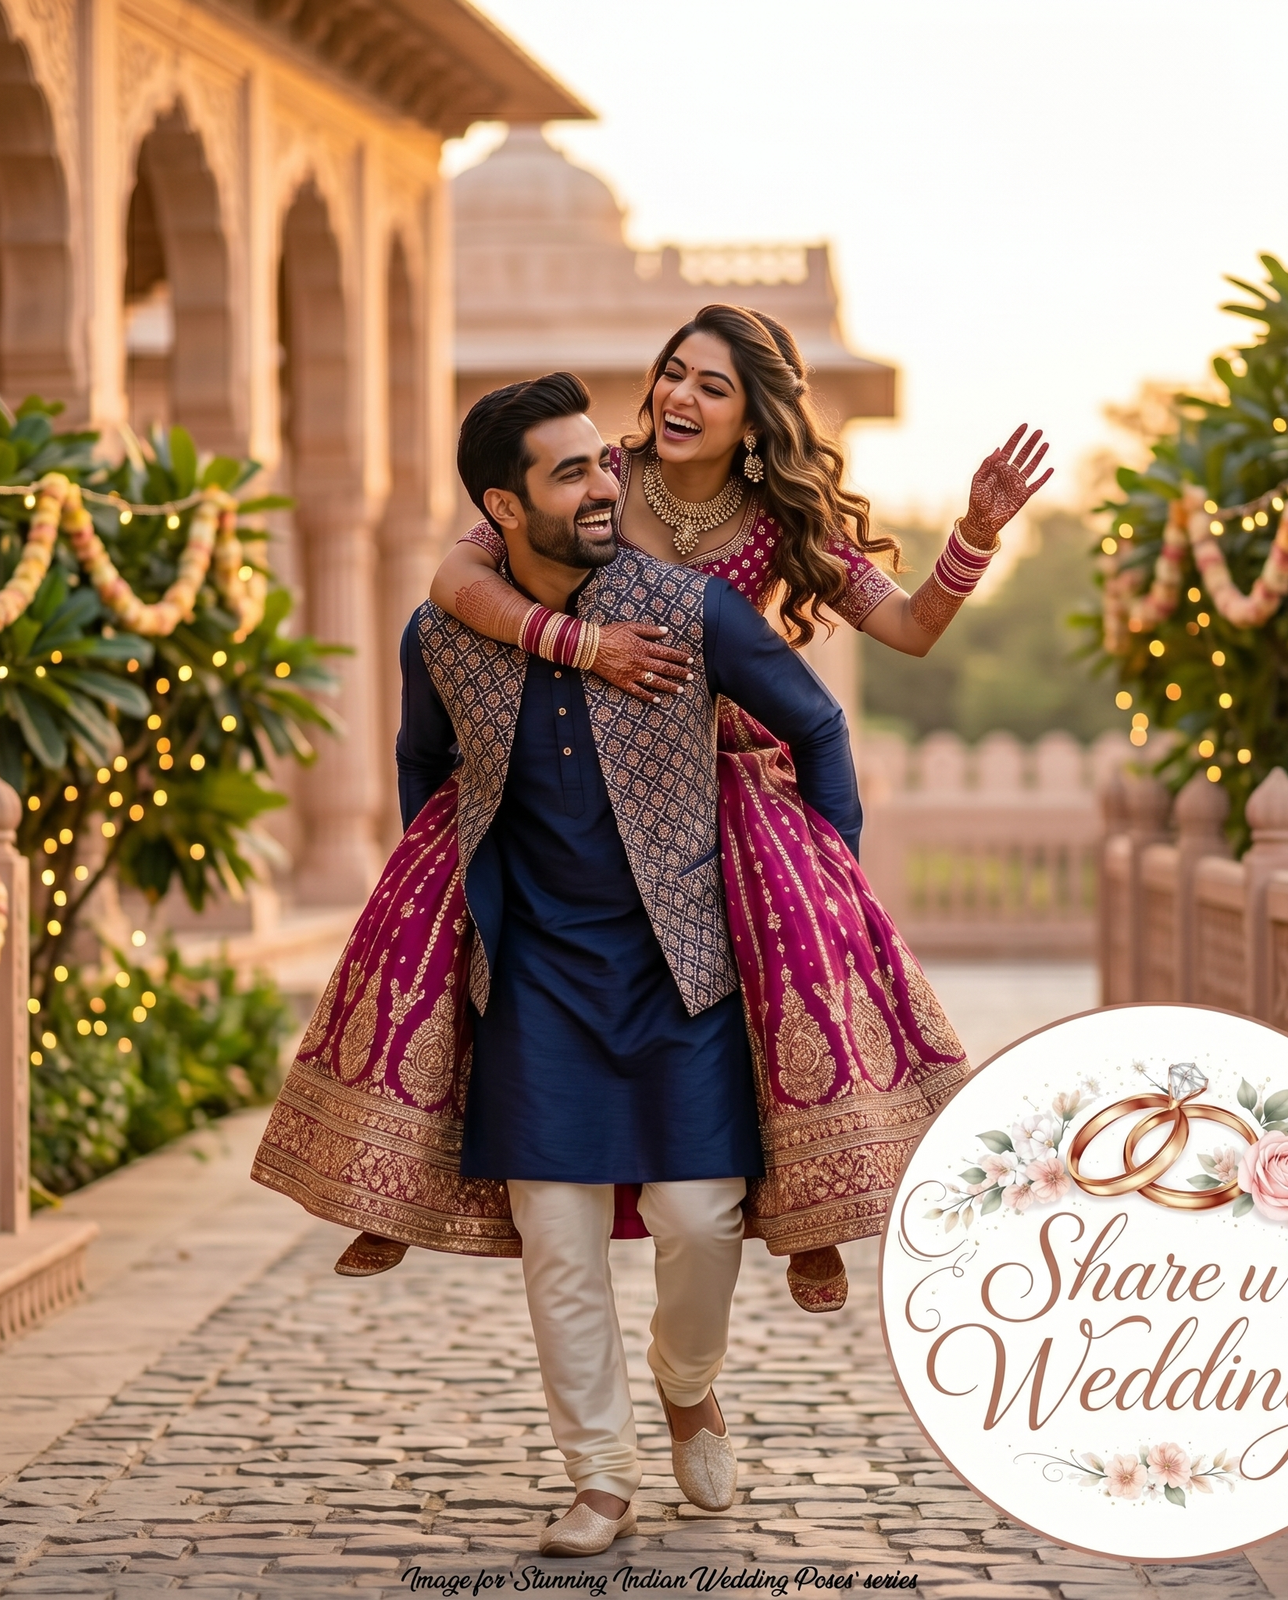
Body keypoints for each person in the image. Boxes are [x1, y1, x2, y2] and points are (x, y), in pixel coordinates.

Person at [254, 308, 1050, 1312]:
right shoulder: (600, 478)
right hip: (560, 769)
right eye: (673, 372)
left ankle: (808, 1216)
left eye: (712, 387)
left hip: (716, 781)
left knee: (789, 961)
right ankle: (402, 1184)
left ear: (754, 420)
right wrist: (578, 646)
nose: (679, 395)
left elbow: (910, 628)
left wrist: (974, 537)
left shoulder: (781, 520)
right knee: (456, 937)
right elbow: (454, 578)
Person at [400, 372, 859, 1554]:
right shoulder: (444, 635)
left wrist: (825, 889)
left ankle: (684, 1378)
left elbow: (816, 724)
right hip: (535, 981)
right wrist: (451, 903)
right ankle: (599, 1476)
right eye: (572, 472)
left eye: (603, 462)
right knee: (556, 1238)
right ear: (505, 508)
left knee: (699, 1219)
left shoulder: (688, 611)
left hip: (684, 969)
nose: (605, 482)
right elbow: (421, 763)